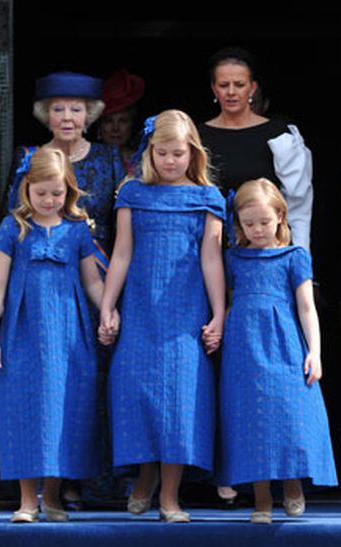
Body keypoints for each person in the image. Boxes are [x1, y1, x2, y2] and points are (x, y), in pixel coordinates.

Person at [98, 110, 226, 523]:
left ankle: (169, 495)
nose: (170, 161)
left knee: (180, 401)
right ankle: (144, 477)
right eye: (162, 153)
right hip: (140, 309)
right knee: (138, 395)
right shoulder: (132, 194)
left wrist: (218, 314)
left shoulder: (208, 198)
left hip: (186, 313)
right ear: (149, 153)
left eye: (178, 154)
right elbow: (121, 253)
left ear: (193, 153)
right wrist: (108, 304)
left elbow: (211, 260)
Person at [0, 147, 105, 523]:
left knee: (62, 411)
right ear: (26, 189)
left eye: (57, 193)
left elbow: (91, 281)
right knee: (23, 409)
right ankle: (26, 500)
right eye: (41, 193)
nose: (50, 200)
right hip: (24, 332)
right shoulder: (13, 228)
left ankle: (52, 497)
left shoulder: (77, 230)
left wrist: (110, 312)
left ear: (69, 190)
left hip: (69, 334)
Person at [215, 179, 337, 524]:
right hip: (243, 346)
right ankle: (262, 499)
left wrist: (314, 351)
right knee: (250, 418)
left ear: (281, 217)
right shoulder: (234, 258)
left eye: (264, 222)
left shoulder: (295, 256)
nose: (257, 230)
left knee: (288, 414)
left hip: (283, 341)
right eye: (248, 223)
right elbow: (225, 301)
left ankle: (293, 484)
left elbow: (306, 307)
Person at [199, 47, 314, 251]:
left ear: (252, 88)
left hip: (267, 252)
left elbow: (299, 204)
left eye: (239, 85)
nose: (231, 92)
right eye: (224, 85)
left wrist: (301, 259)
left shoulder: (279, 135)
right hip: (210, 249)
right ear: (214, 89)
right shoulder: (197, 137)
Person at [9, 71, 126, 259]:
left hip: (99, 268)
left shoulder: (109, 157)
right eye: (58, 110)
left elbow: (124, 221)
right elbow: (15, 220)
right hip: (46, 264)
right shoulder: (29, 157)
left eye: (76, 110)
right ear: (46, 114)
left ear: (89, 114)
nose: (67, 117)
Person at [96, 68, 145, 174]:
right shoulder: (85, 162)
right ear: (99, 126)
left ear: (131, 125)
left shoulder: (145, 163)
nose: (115, 128)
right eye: (109, 121)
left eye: (123, 121)